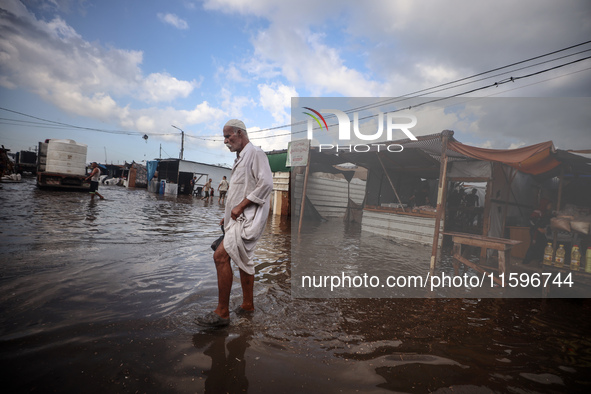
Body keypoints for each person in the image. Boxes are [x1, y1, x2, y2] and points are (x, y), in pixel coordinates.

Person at [195, 119, 273, 327]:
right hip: (238, 217)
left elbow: (266, 183)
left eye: (228, 136)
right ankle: (248, 305)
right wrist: (228, 213)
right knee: (243, 259)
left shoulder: (255, 153)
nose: (225, 141)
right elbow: (239, 191)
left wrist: (240, 207)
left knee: (220, 257)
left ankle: (222, 313)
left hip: (248, 218)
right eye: (224, 137)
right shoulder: (240, 158)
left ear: (240, 133)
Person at [522, 200, 554, 265]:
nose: (550, 206)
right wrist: (539, 229)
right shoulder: (537, 212)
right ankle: (526, 261)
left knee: (543, 245)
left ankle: (540, 261)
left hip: (540, 233)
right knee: (533, 246)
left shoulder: (545, 213)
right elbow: (531, 220)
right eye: (549, 205)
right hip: (535, 232)